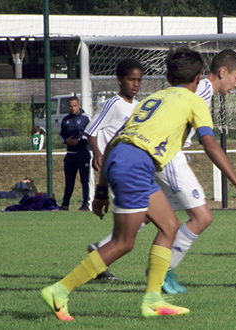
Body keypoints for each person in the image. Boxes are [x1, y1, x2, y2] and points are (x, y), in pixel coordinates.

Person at [40, 47, 236, 321]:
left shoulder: (151, 99)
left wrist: (103, 189)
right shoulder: (194, 101)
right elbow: (210, 143)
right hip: (135, 164)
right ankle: (60, 289)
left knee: (169, 226)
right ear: (200, 77)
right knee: (123, 242)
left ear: (167, 77)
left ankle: (153, 299)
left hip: (126, 160)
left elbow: (117, 140)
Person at [84, 50, 236, 293]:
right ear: (222, 72)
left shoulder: (194, 90)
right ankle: (164, 271)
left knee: (152, 213)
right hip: (168, 158)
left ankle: (103, 249)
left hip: (144, 155)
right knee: (201, 218)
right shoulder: (198, 91)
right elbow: (208, 143)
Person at [83, 58, 144, 281]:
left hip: (131, 165)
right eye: (131, 80)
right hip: (117, 166)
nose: (135, 84)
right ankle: (101, 253)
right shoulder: (113, 103)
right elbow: (91, 130)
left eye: (138, 80)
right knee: (140, 215)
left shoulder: (138, 106)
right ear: (119, 80)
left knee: (141, 216)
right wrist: (97, 154)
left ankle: (101, 251)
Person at [59, 96, 91, 211]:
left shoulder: (86, 118)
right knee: (69, 180)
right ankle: (65, 204)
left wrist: (80, 139)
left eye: (75, 106)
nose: (72, 108)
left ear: (79, 105)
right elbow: (62, 135)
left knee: (85, 179)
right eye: (70, 106)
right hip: (70, 154)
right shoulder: (65, 119)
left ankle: (85, 204)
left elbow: (91, 133)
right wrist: (66, 140)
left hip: (83, 152)